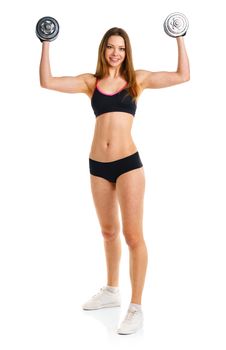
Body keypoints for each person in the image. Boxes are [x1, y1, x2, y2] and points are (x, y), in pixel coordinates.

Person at [39, 26, 190, 335]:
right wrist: (46, 43)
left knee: (134, 237)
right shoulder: (90, 83)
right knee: (109, 233)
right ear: (103, 49)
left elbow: (182, 75)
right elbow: (47, 81)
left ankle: (136, 307)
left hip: (128, 165)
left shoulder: (138, 80)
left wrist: (180, 36)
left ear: (127, 51)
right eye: (110, 47)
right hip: (97, 166)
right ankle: (111, 291)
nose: (115, 52)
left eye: (121, 48)